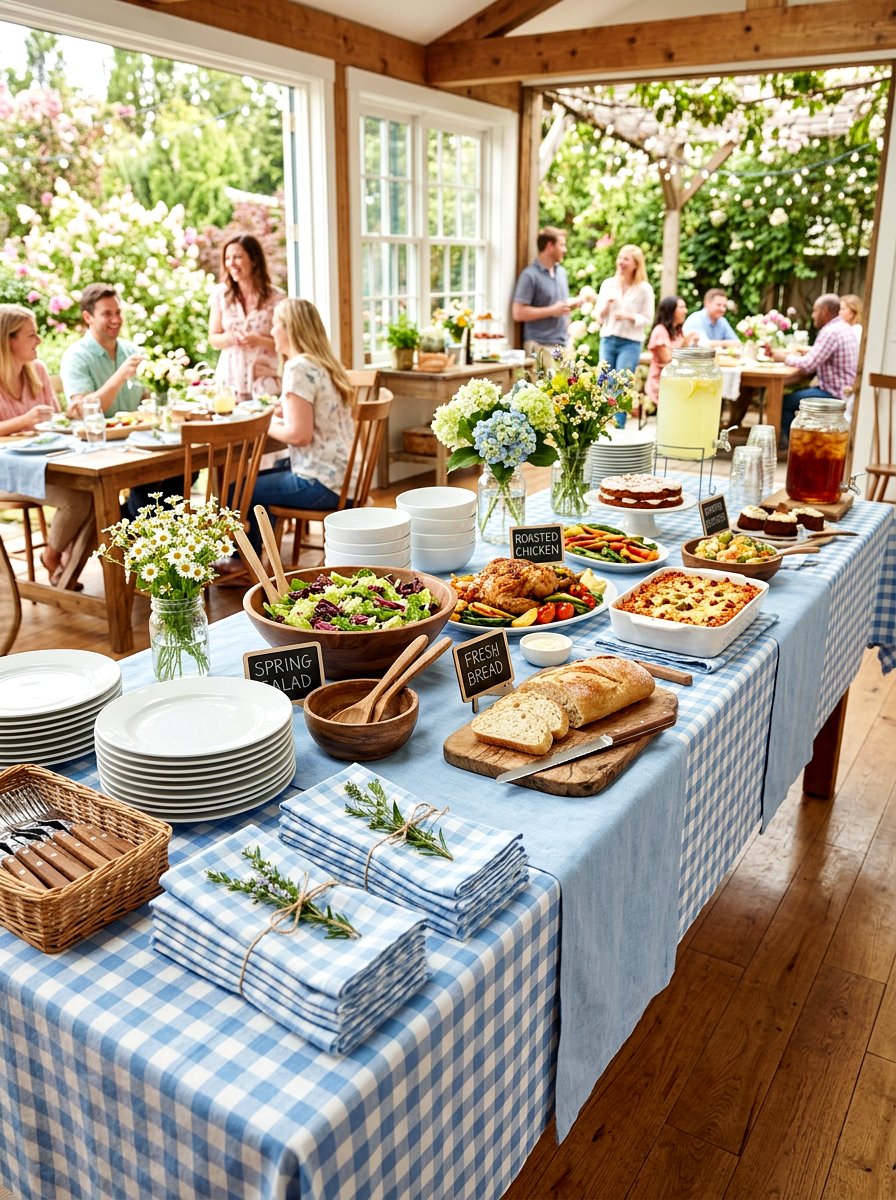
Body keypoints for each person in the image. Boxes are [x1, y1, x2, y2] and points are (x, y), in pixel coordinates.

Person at [230, 298, 354, 562]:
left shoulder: (298, 367)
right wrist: (282, 412)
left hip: (322, 484)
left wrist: (262, 422)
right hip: (347, 480)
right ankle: (258, 557)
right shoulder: (324, 365)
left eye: (275, 324)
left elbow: (299, 435)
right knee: (255, 480)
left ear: (290, 329)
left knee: (240, 489)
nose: (271, 331)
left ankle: (244, 564)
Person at [0, 304, 91, 586]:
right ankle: (55, 558)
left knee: (97, 495)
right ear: (9, 340)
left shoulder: (37, 370)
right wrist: (23, 420)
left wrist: (70, 415)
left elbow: (53, 421)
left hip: (46, 463)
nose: (39, 341)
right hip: (8, 472)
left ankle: (62, 562)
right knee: (77, 500)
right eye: (32, 335)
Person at [773, 293, 858, 444]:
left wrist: (783, 357)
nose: (813, 315)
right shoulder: (843, 327)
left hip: (834, 393)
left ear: (824, 311)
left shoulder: (830, 331)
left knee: (782, 402)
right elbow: (820, 356)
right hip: (845, 390)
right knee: (792, 393)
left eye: (815, 311)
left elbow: (808, 365)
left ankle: (795, 444)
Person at [208, 235, 284, 401]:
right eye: (227, 258)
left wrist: (259, 340)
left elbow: (288, 343)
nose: (231, 264)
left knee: (267, 425)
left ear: (254, 260)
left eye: (237, 257)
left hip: (264, 378)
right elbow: (213, 338)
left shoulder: (277, 298)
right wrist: (230, 338)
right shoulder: (220, 294)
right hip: (230, 379)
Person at [60, 283, 144, 417]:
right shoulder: (76, 356)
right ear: (88, 317)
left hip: (138, 434)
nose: (116, 320)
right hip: (99, 436)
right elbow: (83, 411)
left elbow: (148, 400)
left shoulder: (133, 351)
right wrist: (120, 376)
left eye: (118, 312)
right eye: (107, 314)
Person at [511, 227, 580, 363]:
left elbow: (557, 306)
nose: (565, 249)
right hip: (540, 347)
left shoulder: (561, 273)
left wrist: (569, 306)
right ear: (549, 246)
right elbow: (518, 313)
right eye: (562, 245)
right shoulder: (530, 275)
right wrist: (552, 311)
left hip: (562, 346)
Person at [595, 244, 656, 375]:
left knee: (622, 383)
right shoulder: (608, 284)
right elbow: (598, 316)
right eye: (620, 258)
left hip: (630, 342)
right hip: (608, 340)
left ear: (636, 265)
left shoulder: (645, 289)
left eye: (626, 259)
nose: (621, 262)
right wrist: (607, 306)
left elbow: (648, 318)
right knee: (603, 381)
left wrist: (629, 316)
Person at [645, 296, 700, 404]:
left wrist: (690, 343)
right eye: (681, 307)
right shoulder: (659, 331)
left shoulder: (677, 332)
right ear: (671, 310)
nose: (685, 310)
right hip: (662, 382)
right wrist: (686, 342)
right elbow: (667, 359)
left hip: (677, 379)